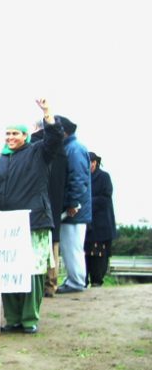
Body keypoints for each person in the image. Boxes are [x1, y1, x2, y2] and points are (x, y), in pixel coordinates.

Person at [0, 99, 64, 334]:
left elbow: (55, 139)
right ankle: (13, 319)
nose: (10, 137)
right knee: (8, 272)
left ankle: (28, 319)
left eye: (15, 133)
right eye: (7, 134)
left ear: (25, 135)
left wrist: (47, 114)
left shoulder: (38, 152)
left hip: (34, 223)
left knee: (32, 273)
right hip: (5, 227)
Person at [31, 120, 68, 297]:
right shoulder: (61, 150)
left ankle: (37, 282)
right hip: (56, 198)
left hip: (37, 199)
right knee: (53, 240)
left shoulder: (33, 146)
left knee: (37, 240)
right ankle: (51, 282)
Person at [56, 115, 92, 294]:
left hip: (74, 209)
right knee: (71, 246)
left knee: (73, 246)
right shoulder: (72, 147)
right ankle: (74, 279)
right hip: (75, 207)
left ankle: (76, 281)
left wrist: (72, 202)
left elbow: (78, 179)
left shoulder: (74, 149)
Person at [85, 152, 117, 286]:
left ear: (95, 162)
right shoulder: (82, 177)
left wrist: (87, 202)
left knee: (99, 253)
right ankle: (83, 279)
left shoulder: (104, 177)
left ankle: (97, 280)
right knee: (85, 252)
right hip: (86, 221)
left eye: (91, 162)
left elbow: (106, 197)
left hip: (101, 222)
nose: (89, 165)